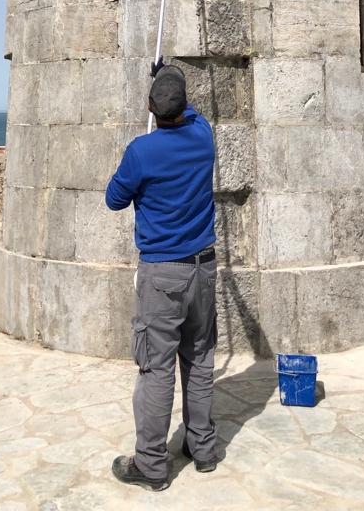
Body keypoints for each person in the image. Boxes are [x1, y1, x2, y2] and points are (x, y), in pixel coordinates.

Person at [105, 65, 219, 491]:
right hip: (203, 268)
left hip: (162, 274)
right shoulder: (204, 137)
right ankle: (202, 449)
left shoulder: (142, 151)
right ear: (185, 105)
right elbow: (196, 113)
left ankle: (152, 465)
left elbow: (114, 199)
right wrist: (167, 75)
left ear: (150, 108)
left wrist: (133, 173)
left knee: (156, 369)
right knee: (200, 360)